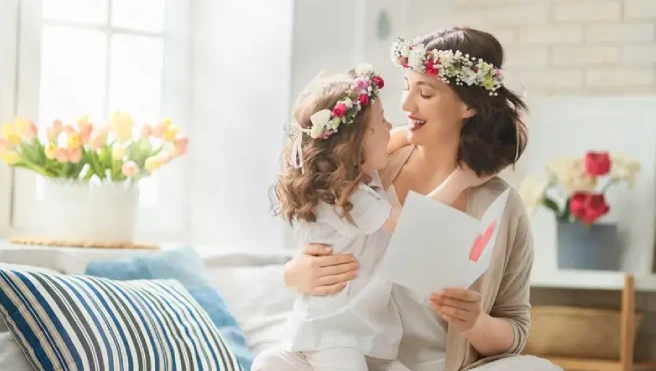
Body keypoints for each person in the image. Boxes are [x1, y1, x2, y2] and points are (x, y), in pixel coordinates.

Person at [253, 27, 564, 371]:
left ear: (468, 107)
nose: (404, 104)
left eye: (425, 93)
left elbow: (515, 329)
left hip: (441, 366)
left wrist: (474, 322)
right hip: (355, 357)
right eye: (406, 87)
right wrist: (292, 274)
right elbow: (322, 229)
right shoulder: (368, 170)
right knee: (270, 363)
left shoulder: (501, 207)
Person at [260, 63, 492, 371]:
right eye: (382, 121)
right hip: (335, 334)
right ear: (354, 145)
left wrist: (418, 133)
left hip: (366, 334)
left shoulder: (361, 179)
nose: (390, 126)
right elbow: (411, 221)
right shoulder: (347, 199)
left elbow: (394, 139)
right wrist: (462, 179)